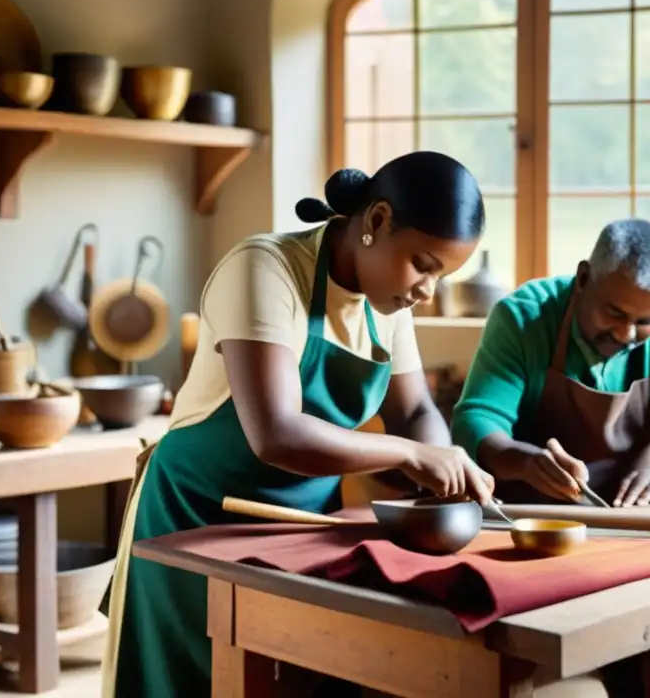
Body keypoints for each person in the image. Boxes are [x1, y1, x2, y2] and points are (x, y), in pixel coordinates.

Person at [102, 152, 495, 698]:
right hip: (194, 514)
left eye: (443, 274)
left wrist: (445, 476)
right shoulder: (265, 268)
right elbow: (276, 434)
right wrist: (410, 457)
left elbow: (416, 412)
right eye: (423, 264)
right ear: (377, 222)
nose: (427, 289)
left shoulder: (388, 302)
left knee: (298, 678)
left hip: (301, 523)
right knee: (195, 679)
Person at [451, 218, 650, 508]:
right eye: (614, 313)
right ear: (583, 278)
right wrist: (525, 462)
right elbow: (475, 421)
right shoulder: (524, 316)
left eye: (645, 321)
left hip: (627, 518)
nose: (625, 334)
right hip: (523, 517)